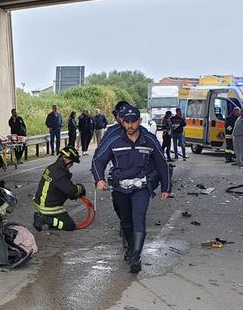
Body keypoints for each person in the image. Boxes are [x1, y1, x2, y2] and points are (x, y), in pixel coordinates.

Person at [92, 105, 171, 274]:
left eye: (133, 122)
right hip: (120, 188)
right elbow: (98, 160)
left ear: (139, 121)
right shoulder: (114, 140)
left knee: (138, 219)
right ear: (122, 121)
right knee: (126, 221)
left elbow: (162, 163)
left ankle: (136, 257)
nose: (130, 125)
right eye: (126, 122)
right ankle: (130, 247)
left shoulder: (149, 139)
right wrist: (99, 179)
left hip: (141, 187)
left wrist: (166, 186)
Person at [32, 146, 85, 231]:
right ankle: (44, 218)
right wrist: (81, 188)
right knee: (69, 226)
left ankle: (51, 221)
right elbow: (72, 191)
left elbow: (62, 189)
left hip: (40, 201)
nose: (71, 165)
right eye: (72, 163)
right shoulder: (59, 173)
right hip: (48, 206)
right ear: (66, 159)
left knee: (58, 222)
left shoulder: (52, 167)